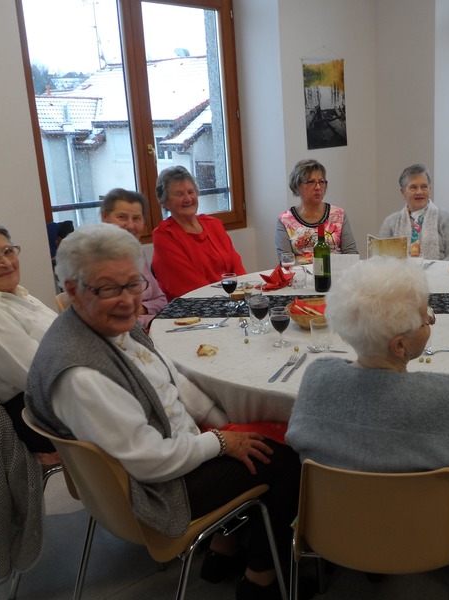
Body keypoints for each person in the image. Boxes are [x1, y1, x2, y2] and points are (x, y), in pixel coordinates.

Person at [25, 224, 304, 600]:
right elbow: (151, 463)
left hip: (170, 450)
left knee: (260, 433)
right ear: (72, 289)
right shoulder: (81, 373)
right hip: (156, 489)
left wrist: (227, 426)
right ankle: (261, 579)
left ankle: (223, 551)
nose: (128, 300)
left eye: (134, 283)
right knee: (283, 457)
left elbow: (172, 381)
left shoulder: (105, 324)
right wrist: (222, 441)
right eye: (108, 288)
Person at [286, 256, 449, 534]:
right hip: (432, 538)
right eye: (425, 319)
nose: (429, 323)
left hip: (335, 531)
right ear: (399, 345)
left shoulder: (316, 377)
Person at [0, 219, 56, 452]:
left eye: (7, 251)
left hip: (63, 390)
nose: (5, 262)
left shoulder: (14, 294)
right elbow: (40, 378)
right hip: (39, 415)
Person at [152, 166, 246, 301]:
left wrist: (241, 293)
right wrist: (225, 301)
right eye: (179, 194)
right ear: (165, 202)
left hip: (231, 300)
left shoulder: (214, 224)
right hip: (195, 308)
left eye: (191, 192)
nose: (187, 198)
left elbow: (236, 265)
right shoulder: (164, 236)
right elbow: (188, 286)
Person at [100, 188, 166, 328]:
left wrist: (140, 309)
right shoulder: (96, 261)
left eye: (136, 218)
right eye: (122, 217)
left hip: (150, 327)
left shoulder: (136, 251)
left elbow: (161, 300)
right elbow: (110, 319)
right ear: (104, 217)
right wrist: (148, 318)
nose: (130, 226)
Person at [275, 159, 357, 263]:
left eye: (321, 182)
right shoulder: (285, 220)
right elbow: (286, 261)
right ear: (297, 186)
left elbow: (351, 254)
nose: (318, 187)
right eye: (311, 182)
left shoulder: (338, 215)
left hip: (336, 275)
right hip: (301, 276)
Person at [378, 164, 449, 260]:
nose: (419, 192)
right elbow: (380, 258)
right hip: (400, 274)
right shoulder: (390, 221)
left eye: (424, 187)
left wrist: (435, 272)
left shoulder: (446, 218)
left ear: (429, 190)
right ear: (403, 192)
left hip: (439, 274)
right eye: (413, 187)